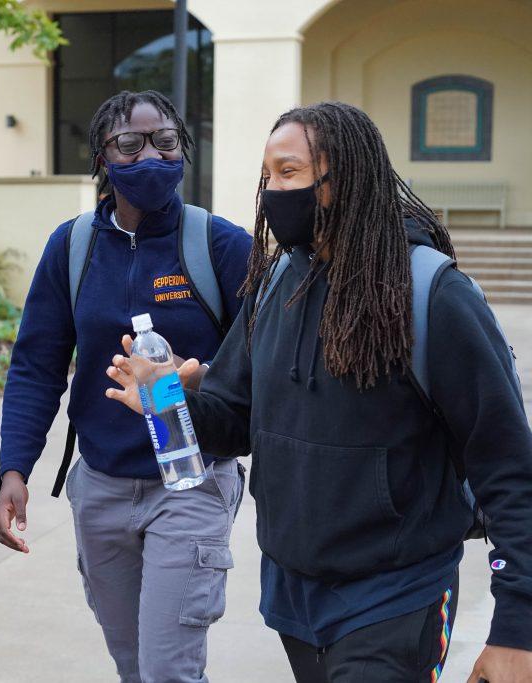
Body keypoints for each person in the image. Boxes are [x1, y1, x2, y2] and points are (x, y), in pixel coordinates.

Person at [106, 101, 532, 683]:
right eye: (267, 176)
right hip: (292, 599)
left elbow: (507, 468)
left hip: (395, 596)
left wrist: (518, 628)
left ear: (346, 179)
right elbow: (234, 419)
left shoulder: (433, 295)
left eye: (290, 174)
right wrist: (163, 397)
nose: (271, 192)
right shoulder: (276, 282)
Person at [0, 90, 253, 683]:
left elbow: (266, 360)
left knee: (168, 671)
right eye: (130, 144)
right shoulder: (74, 245)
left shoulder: (219, 245)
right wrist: (14, 470)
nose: (152, 156)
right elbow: (36, 364)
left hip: (190, 482)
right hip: (103, 487)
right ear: (102, 159)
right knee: (134, 666)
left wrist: (200, 378)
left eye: (166, 142)